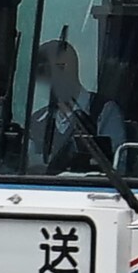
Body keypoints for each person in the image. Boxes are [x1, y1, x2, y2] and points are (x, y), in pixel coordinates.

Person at [28, 40, 127, 174]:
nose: (39, 80)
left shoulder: (103, 111)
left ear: (65, 69)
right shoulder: (37, 120)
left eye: (43, 71)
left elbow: (117, 166)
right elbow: (25, 165)